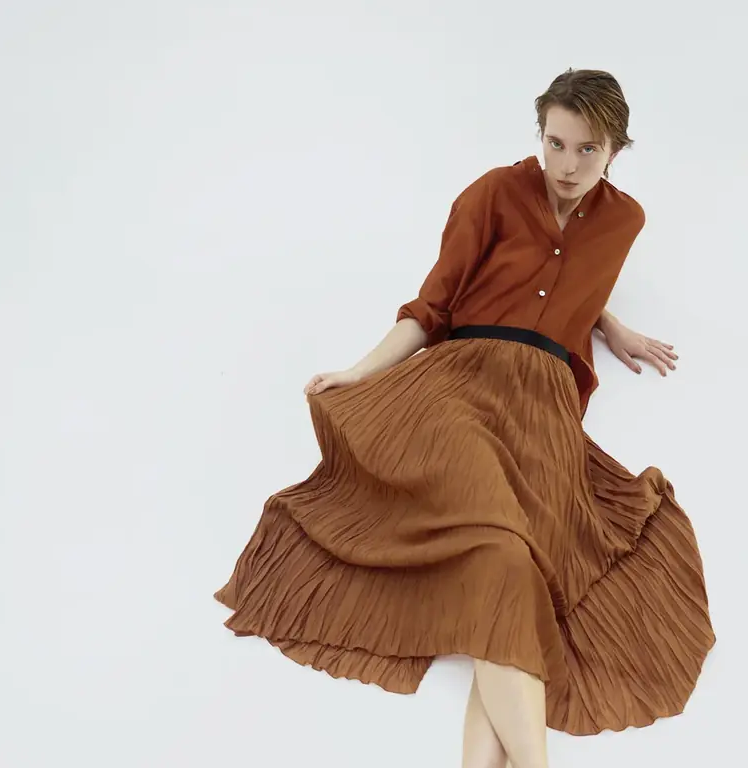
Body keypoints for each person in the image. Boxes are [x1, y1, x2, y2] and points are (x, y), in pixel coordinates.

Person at [214, 68, 715, 768]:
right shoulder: (493, 193)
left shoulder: (623, 220)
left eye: (588, 150)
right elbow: (433, 306)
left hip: (542, 411)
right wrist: (360, 370)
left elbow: (569, 272)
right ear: (540, 135)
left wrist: (609, 323)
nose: (568, 165)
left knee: (515, 576)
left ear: (616, 150)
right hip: (461, 384)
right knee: (503, 554)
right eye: (556, 143)